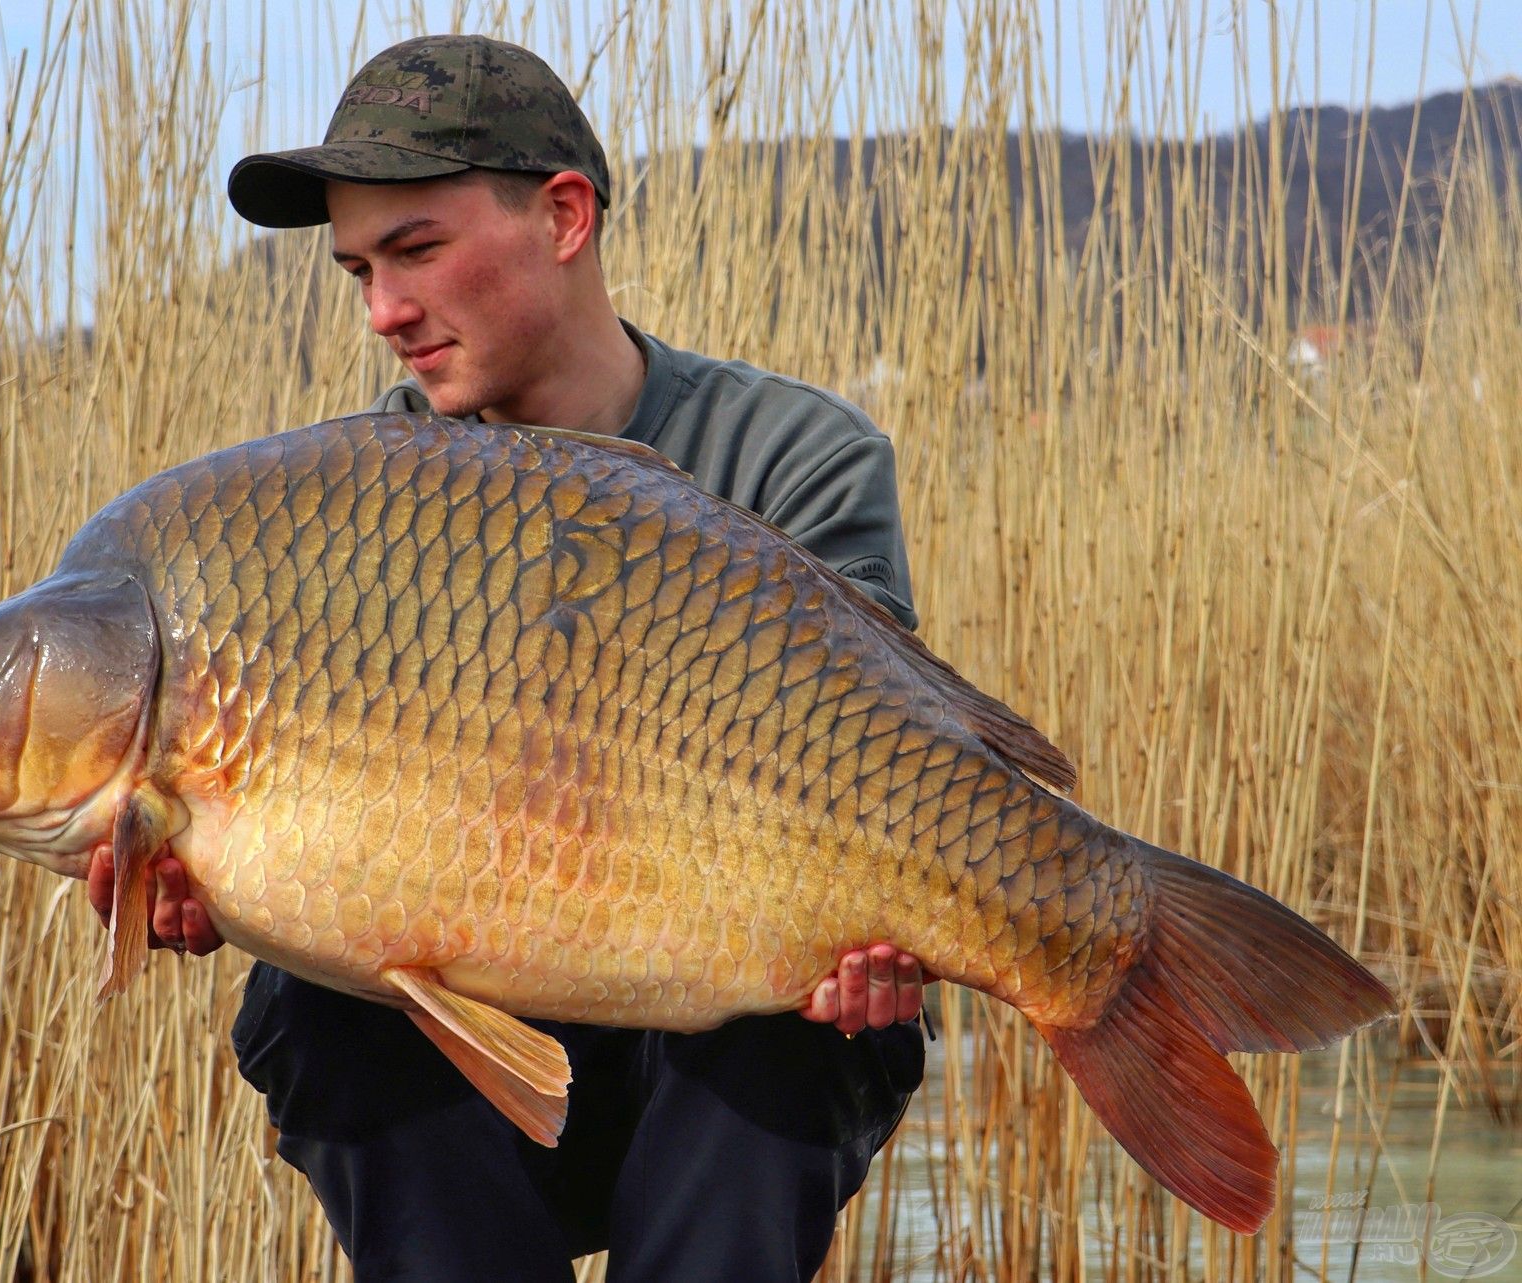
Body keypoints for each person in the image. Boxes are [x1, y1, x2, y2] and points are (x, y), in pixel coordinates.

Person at [89, 34, 935, 1283]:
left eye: (416, 250)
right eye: (360, 269)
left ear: (565, 215)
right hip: (478, 1072)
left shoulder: (794, 455)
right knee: (314, 1004)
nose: (383, 311)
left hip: (714, 1045)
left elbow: (885, 768)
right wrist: (216, 879)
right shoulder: (345, 502)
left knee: (791, 1029)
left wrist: (878, 929)